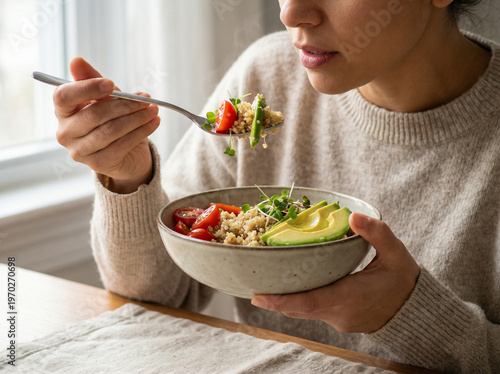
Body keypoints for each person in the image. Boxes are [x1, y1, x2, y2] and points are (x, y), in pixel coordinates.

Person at [52, 0, 499, 372]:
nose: (291, 12)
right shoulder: (266, 76)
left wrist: (411, 314)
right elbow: (162, 294)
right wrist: (129, 177)